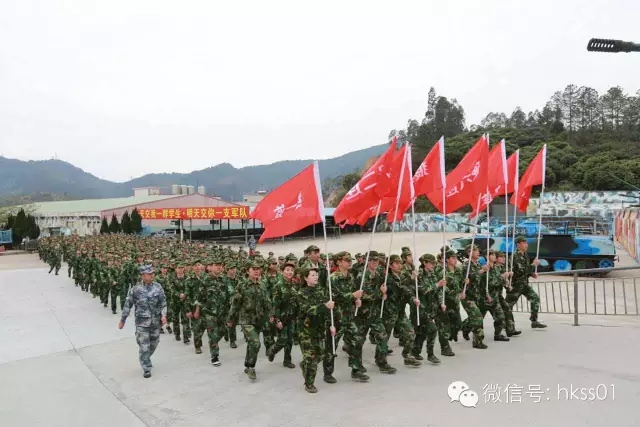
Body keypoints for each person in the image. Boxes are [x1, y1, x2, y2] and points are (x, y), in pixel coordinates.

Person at [118, 264, 167, 378]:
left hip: (155, 322)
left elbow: (163, 303)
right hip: (142, 323)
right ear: (143, 276)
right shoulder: (136, 289)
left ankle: (145, 358)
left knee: (154, 344)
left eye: (152, 273)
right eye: (149, 274)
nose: (152, 275)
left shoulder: (158, 287)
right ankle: (146, 368)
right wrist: (123, 320)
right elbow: (128, 305)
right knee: (144, 346)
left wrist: (164, 315)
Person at [297, 267, 335, 393]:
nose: (316, 277)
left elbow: (328, 311)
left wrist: (331, 325)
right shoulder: (301, 293)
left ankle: (304, 365)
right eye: (312, 275)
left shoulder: (321, 290)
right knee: (311, 358)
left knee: (321, 354)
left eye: (316, 275)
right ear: (305, 278)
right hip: (305, 330)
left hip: (319, 329)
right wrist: (324, 306)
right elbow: (308, 309)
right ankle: (309, 383)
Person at [505, 236, 547, 332]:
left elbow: (526, 270)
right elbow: (521, 270)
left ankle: (534, 321)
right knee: (507, 306)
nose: (526, 245)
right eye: (524, 243)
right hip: (515, 286)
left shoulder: (525, 255)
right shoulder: (515, 256)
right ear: (518, 245)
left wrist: (532, 274)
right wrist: (533, 265)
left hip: (524, 284)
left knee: (535, 299)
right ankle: (505, 324)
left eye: (526, 243)